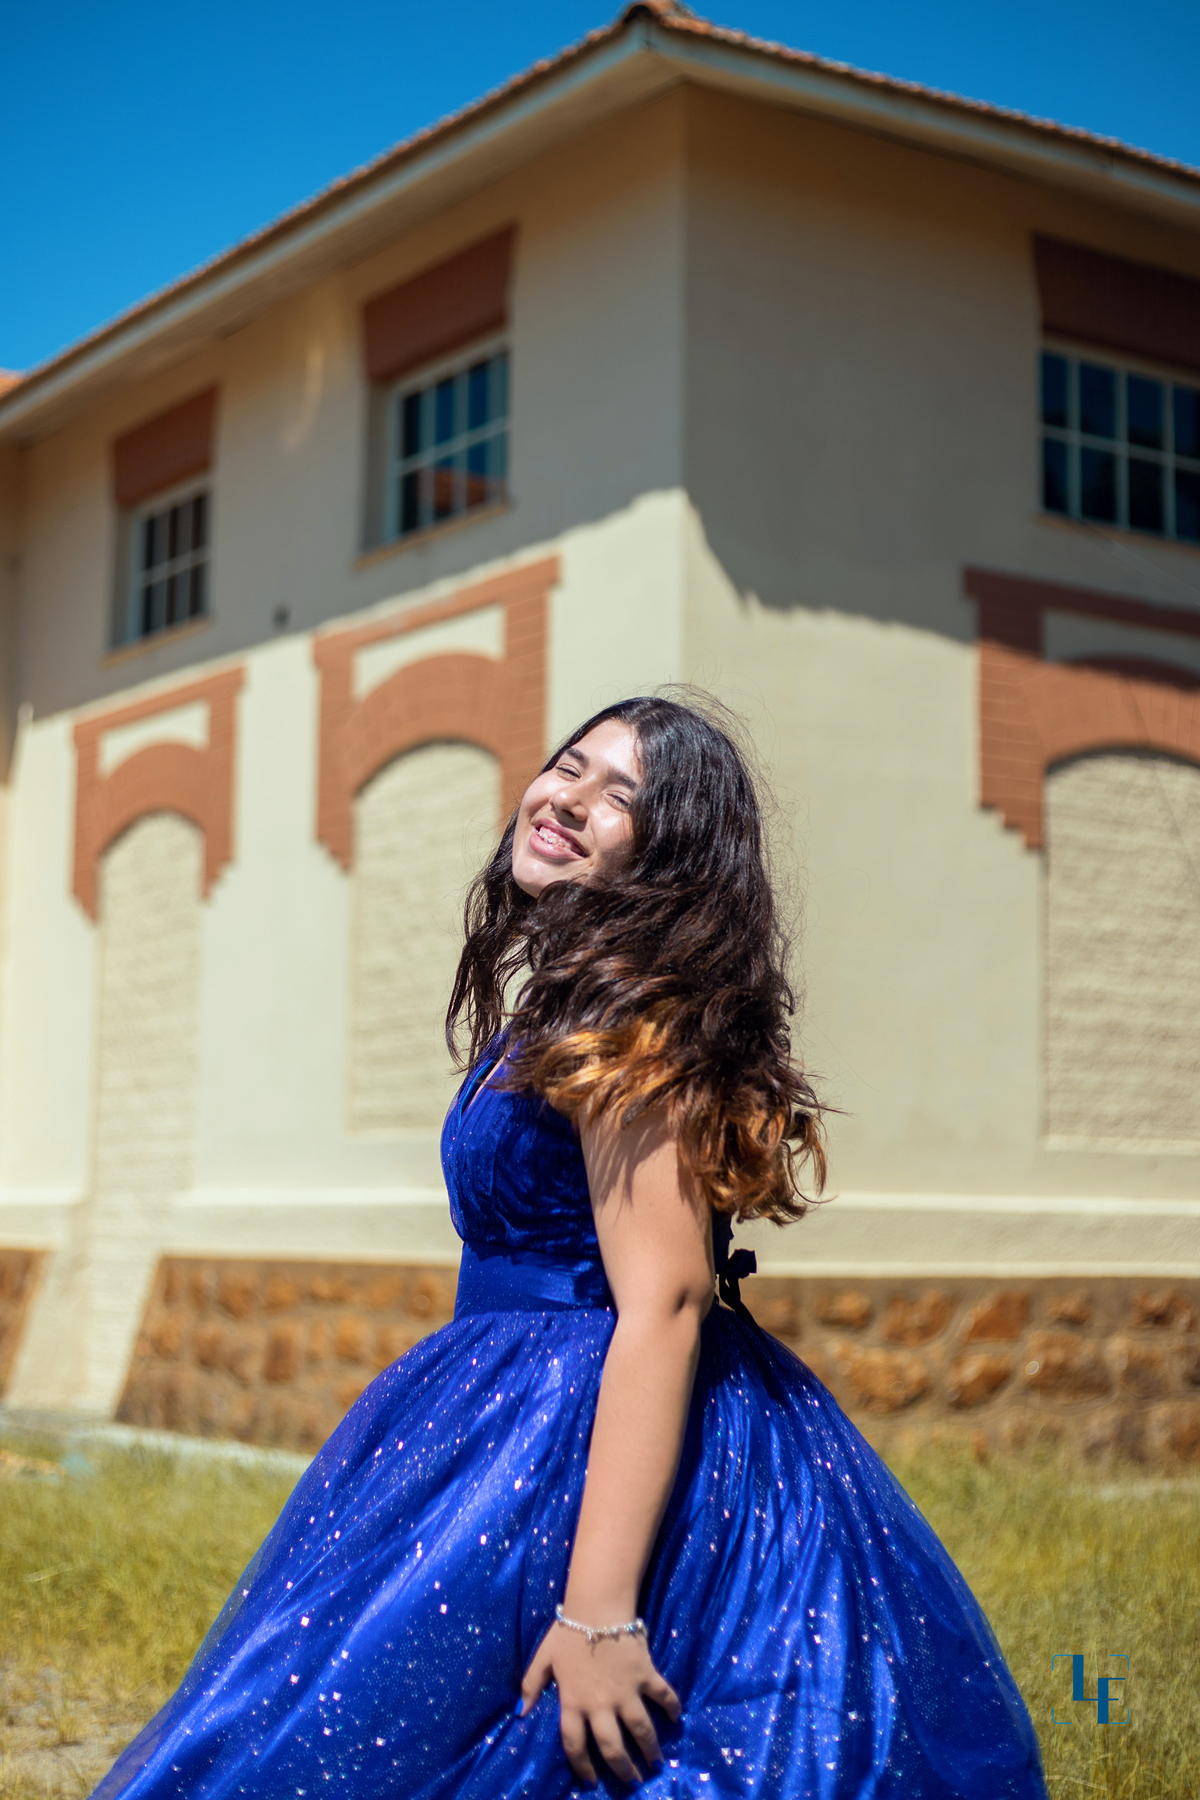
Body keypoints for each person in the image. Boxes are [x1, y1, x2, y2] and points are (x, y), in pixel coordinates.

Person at [93, 693, 1047, 1799]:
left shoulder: (632, 1021)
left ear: (669, 855)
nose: (569, 798)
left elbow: (667, 1302)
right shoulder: (562, 1006)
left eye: (619, 795)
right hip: (493, 1408)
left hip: (584, 1418)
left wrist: (599, 1613)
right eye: (568, 766)